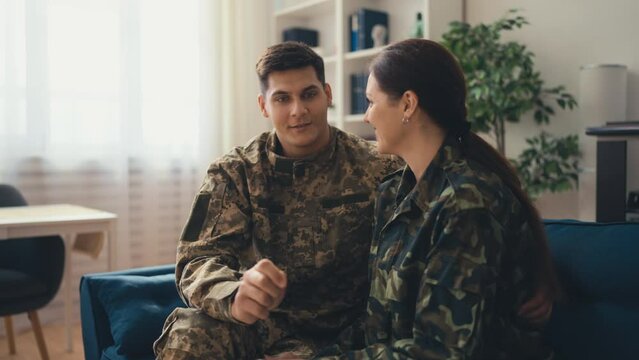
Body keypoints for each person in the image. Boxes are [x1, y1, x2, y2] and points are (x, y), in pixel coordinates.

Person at [153, 41, 554, 359]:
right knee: (190, 333)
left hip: (346, 334)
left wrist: (539, 276)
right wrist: (234, 294)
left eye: (308, 94)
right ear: (263, 106)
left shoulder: (387, 171)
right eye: (281, 99)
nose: (298, 111)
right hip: (265, 325)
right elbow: (196, 259)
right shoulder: (236, 172)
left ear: (327, 94)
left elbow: (487, 241)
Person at [311, 38, 562, 359]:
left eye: (371, 102)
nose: (366, 117)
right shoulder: (393, 193)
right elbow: (378, 322)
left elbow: (440, 351)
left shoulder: (468, 203)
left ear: (407, 104)